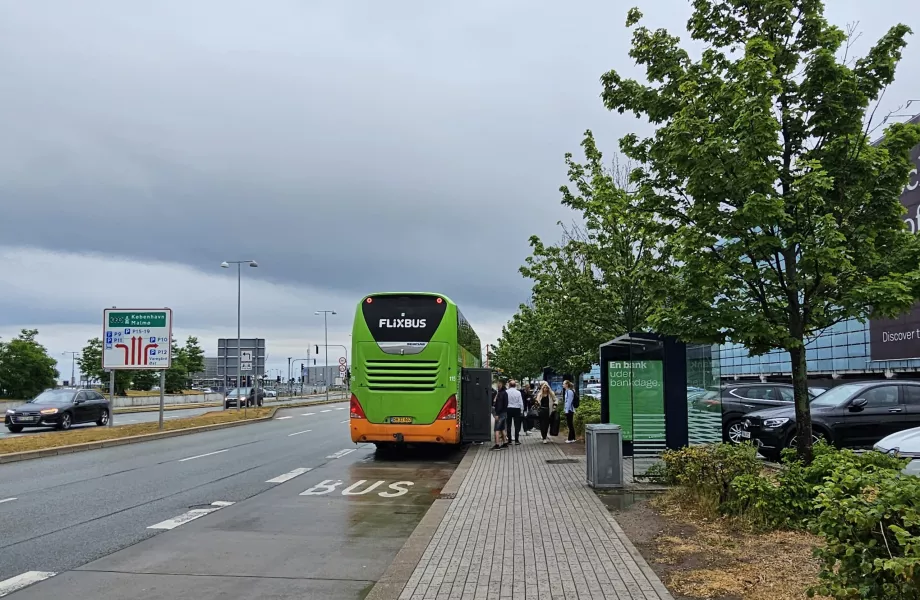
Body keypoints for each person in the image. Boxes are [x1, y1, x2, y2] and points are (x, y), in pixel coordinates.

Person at [505, 380, 524, 445]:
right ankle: (516, 440)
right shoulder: (518, 392)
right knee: (517, 425)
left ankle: (509, 440)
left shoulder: (506, 392)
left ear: (509, 385)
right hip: (516, 409)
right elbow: (520, 402)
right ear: (515, 385)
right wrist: (521, 410)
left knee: (508, 425)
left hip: (508, 409)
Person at [491, 380, 509, 450]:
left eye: (498, 384)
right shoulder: (505, 393)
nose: (497, 385)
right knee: (502, 429)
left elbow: (499, 405)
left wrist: (497, 414)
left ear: (500, 385)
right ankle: (505, 443)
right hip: (504, 413)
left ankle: (497, 444)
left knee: (497, 429)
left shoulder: (500, 394)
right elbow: (505, 404)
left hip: (500, 413)